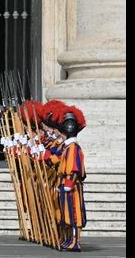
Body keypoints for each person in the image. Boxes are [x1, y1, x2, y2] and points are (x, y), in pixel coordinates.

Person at [44, 105, 87, 252]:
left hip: (71, 185)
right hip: (65, 183)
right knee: (66, 214)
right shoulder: (68, 147)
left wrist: (69, 182)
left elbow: (75, 168)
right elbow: (55, 161)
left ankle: (74, 241)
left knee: (74, 214)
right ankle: (69, 239)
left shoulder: (73, 147)